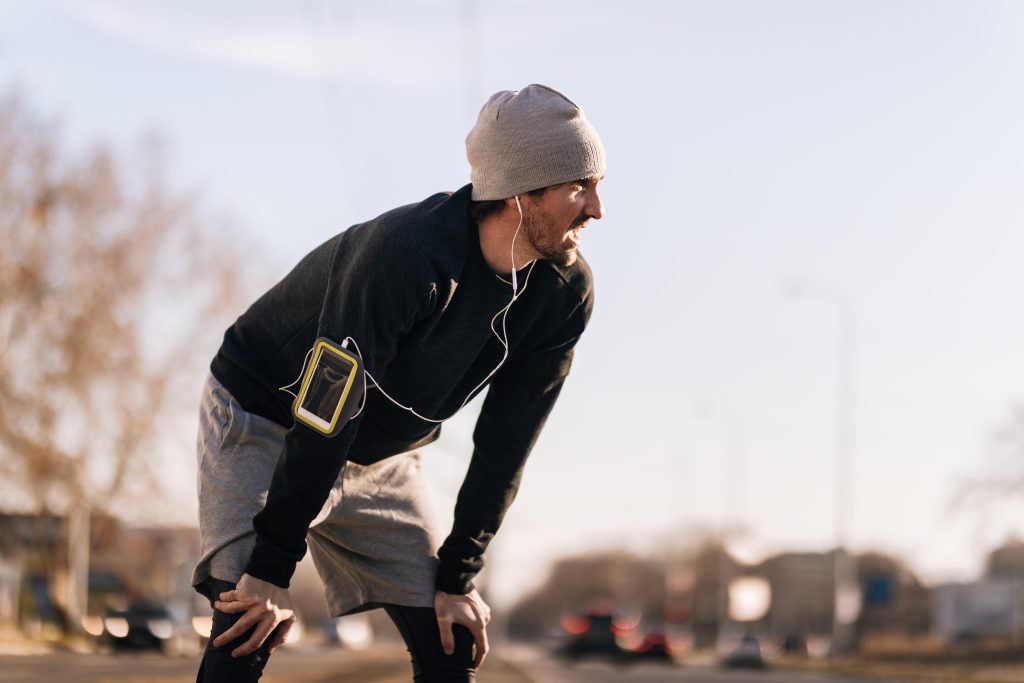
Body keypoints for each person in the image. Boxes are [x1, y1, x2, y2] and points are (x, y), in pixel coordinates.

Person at [191, 83, 605, 682]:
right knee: (247, 620)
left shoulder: (563, 294)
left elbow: (506, 442)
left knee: (452, 637)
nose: (596, 209)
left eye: (597, 185)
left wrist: (459, 575)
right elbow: (325, 408)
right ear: (520, 192)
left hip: (384, 459)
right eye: (579, 187)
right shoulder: (404, 255)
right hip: (268, 418)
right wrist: (273, 563)